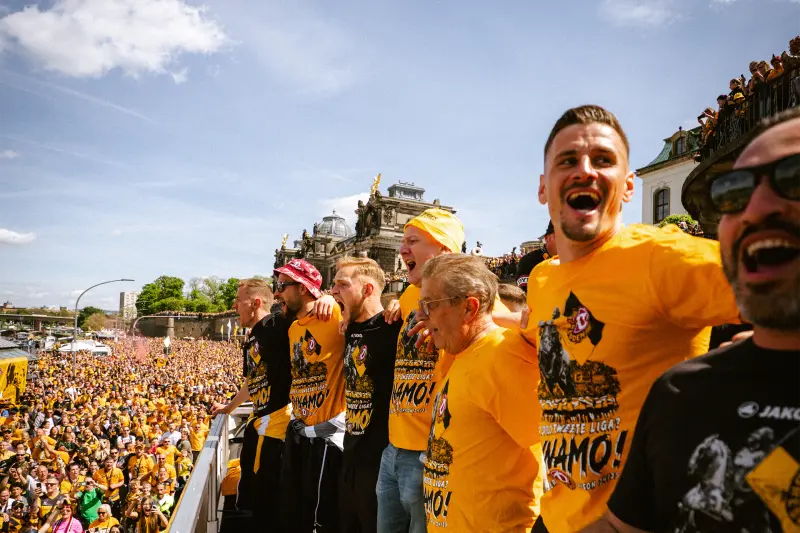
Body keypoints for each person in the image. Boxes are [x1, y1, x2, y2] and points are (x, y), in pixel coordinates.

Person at [523, 105, 741, 532]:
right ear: (543, 188)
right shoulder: (542, 278)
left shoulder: (663, 257)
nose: (585, 170)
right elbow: (535, 337)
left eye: (602, 160)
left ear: (626, 188)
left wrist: (747, 358)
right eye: (568, 161)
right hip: (554, 516)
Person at [582, 108, 800, 532]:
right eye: (735, 191)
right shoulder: (683, 390)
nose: (755, 208)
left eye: (793, 177)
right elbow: (622, 526)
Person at [419, 254, 541, 531]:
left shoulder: (501, 355)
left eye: (430, 305)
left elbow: (552, 443)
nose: (422, 315)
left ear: (469, 308)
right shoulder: (463, 353)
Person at [211, 278, 291, 528]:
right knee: (253, 492)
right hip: (258, 420)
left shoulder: (278, 324)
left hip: (277, 423)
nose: (235, 306)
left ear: (256, 303)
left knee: (267, 495)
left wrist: (326, 299)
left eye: (239, 301)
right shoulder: (252, 336)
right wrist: (229, 407)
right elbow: (252, 381)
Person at [330, 258, 401, 533]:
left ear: (369, 289)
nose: (334, 291)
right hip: (350, 453)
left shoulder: (393, 326)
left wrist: (401, 303)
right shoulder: (349, 326)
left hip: (380, 459)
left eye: (342, 285)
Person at [275, 259, 345, 533]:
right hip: (299, 431)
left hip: (325, 436)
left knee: (321, 518)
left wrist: (330, 296)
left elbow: (368, 310)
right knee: (296, 509)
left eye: (283, 286)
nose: (277, 293)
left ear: (303, 288)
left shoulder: (334, 314)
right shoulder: (293, 327)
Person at [517, 220, 558, 292]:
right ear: (546, 238)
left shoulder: (575, 261)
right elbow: (526, 296)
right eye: (560, 235)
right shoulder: (528, 261)